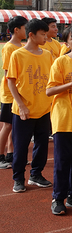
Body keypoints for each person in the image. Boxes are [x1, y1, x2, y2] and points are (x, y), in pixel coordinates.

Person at [7, 19, 54, 193]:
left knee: (42, 145)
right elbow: (11, 82)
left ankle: (36, 174)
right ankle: (18, 178)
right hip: (24, 111)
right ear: (31, 35)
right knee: (21, 146)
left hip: (43, 109)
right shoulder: (18, 55)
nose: (45, 37)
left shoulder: (47, 55)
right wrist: (21, 105)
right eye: (42, 34)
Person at [46, 26, 72, 215]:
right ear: (66, 43)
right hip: (63, 119)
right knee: (63, 162)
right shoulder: (61, 62)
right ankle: (58, 198)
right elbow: (49, 90)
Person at [0, 16, 27, 169]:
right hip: (10, 94)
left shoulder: (21, 46)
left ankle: (11, 154)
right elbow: (7, 73)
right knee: (8, 125)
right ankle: (0, 156)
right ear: (17, 30)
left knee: (13, 125)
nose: (27, 30)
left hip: (18, 92)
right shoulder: (9, 48)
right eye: (25, 27)